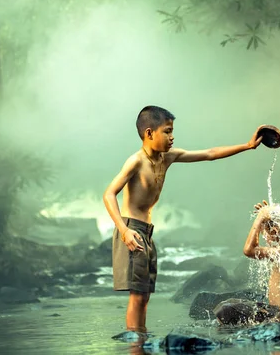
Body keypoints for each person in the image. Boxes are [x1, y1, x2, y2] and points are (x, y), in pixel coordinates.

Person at [103, 105, 269, 333]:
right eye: (167, 131)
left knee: (145, 296)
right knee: (137, 297)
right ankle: (135, 345)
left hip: (146, 232)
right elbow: (108, 194)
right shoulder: (136, 161)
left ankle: (140, 339)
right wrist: (124, 230)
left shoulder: (167, 158)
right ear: (149, 133)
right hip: (132, 230)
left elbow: (209, 154)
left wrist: (248, 146)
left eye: (172, 131)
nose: (172, 137)